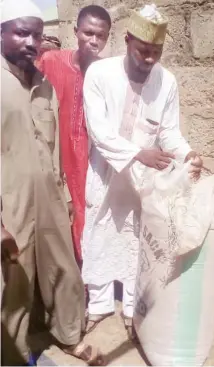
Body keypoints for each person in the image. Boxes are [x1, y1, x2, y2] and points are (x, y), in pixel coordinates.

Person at [82, 4, 203, 339]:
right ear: (127, 41)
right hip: (107, 169)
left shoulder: (167, 82)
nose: (150, 59)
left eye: (156, 52)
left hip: (143, 178)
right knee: (100, 232)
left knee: (140, 241)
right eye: (143, 51)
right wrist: (138, 153)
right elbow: (98, 131)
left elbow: (169, 133)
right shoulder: (100, 74)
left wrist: (187, 152)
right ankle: (99, 306)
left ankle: (134, 311)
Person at [0, 0, 104, 365]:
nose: (31, 41)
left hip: (50, 198)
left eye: (37, 34)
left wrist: (65, 197)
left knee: (64, 269)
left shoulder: (44, 85)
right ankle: (11, 354)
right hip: (9, 206)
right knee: (14, 284)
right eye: (21, 32)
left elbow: (55, 144)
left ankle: (69, 335)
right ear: (2, 33)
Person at [38, 5, 111, 265]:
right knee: (55, 213)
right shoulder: (51, 62)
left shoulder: (107, 74)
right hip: (55, 151)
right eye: (88, 32)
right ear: (75, 31)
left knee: (87, 214)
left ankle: (86, 281)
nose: (93, 40)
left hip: (89, 157)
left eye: (100, 35)